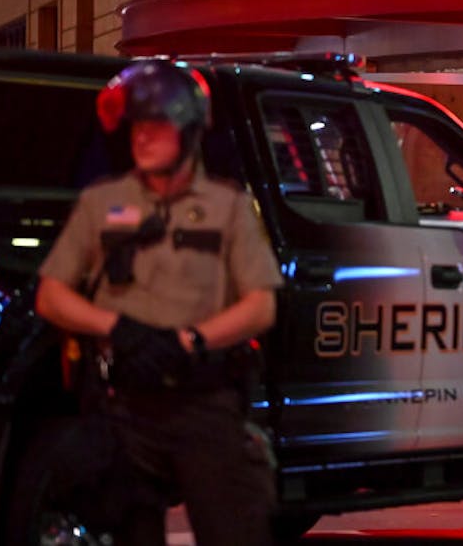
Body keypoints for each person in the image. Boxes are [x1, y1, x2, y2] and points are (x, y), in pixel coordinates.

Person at [34, 60, 283, 545]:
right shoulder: (102, 203)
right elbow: (51, 295)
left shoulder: (226, 206)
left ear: (188, 132)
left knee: (237, 528)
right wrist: (116, 328)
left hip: (204, 404)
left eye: (155, 126)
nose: (141, 138)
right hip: (122, 408)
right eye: (135, 127)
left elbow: (260, 305)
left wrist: (190, 339)